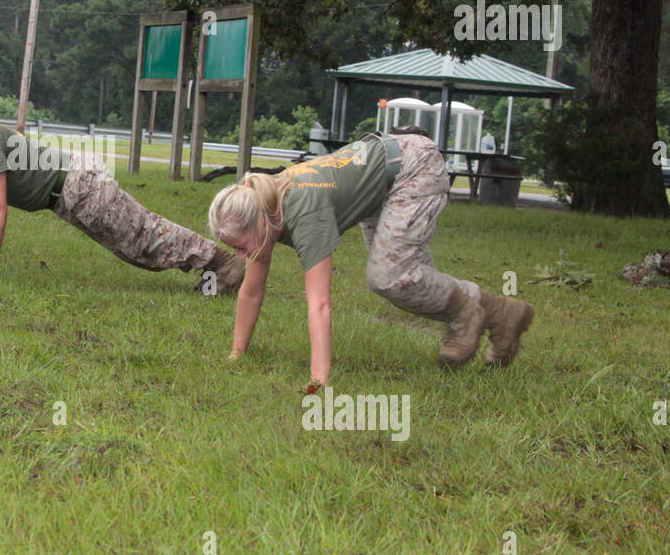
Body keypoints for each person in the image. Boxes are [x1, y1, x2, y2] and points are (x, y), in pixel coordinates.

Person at [207, 132, 534, 390]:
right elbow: (251, 290)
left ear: (260, 222)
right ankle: (503, 314)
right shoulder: (264, 205)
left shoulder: (303, 209)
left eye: (240, 245)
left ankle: (468, 314)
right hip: (385, 176)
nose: (239, 255)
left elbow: (320, 304)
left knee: (389, 275)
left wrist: (318, 382)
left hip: (412, 167)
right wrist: (237, 354)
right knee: (403, 275)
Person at [0, 121, 246, 290]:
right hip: (66, 194)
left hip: (79, 184)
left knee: (142, 238)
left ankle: (223, 264)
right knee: (135, 250)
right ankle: (212, 269)